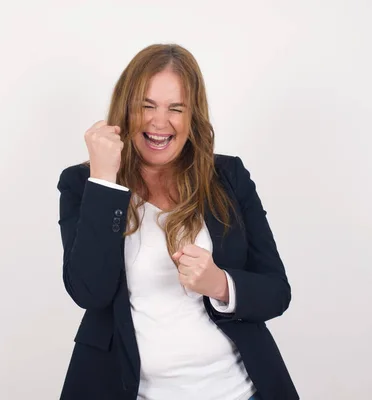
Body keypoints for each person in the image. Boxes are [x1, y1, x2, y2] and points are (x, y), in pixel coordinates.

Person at [56, 43, 299, 400]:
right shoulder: (84, 184)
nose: (159, 121)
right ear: (126, 108)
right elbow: (89, 292)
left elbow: (277, 292)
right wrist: (105, 180)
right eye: (146, 105)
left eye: (176, 108)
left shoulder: (228, 177)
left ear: (192, 116)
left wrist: (220, 284)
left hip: (239, 391)